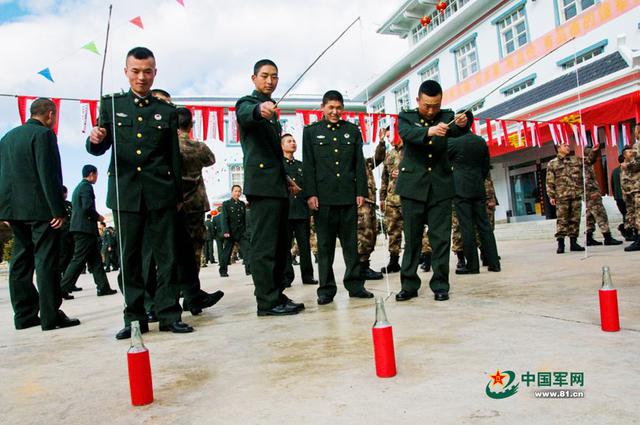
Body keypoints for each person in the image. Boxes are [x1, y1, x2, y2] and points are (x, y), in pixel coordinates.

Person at [87, 46, 192, 339]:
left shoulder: (167, 111)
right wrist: (95, 138)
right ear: (126, 72)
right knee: (129, 258)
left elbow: (173, 157)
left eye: (147, 71)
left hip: (161, 192)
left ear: (155, 72)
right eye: (135, 71)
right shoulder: (111, 104)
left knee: (167, 256)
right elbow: (99, 146)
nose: (141, 77)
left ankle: (169, 314)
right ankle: (134, 318)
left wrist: (178, 196)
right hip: (126, 192)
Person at [0, 98, 80, 330]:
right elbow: (49, 173)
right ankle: (50, 315)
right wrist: (58, 210)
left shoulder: (7, 138)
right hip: (40, 209)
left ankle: (24, 315)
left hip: (13, 209)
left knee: (20, 261)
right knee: (46, 260)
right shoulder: (44, 135)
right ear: (50, 114)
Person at [236, 59, 304, 316]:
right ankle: (266, 301)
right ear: (254, 78)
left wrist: (285, 178)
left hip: (276, 185)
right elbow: (246, 114)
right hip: (262, 188)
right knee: (264, 246)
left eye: (274, 76)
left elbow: (272, 153)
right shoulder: (248, 103)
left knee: (278, 245)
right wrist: (259, 109)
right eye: (264, 75)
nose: (270, 81)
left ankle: (276, 293)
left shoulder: (273, 113)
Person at [394, 80, 469, 302]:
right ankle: (409, 285)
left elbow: (457, 129)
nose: (431, 110)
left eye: (436, 105)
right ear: (418, 100)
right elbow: (407, 134)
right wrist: (430, 130)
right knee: (412, 239)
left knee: (441, 239)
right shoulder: (406, 117)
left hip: (440, 186)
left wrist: (463, 123)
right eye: (427, 105)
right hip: (412, 187)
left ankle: (440, 285)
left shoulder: (447, 116)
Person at [303, 90, 373, 305]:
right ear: (322, 108)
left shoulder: (352, 130)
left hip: (348, 196)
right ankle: (326, 289)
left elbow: (358, 163)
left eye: (338, 108)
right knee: (325, 247)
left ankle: (355, 285)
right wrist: (310, 193)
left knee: (351, 245)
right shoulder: (311, 132)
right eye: (330, 108)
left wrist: (361, 191)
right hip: (323, 199)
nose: (335, 112)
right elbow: (308, 165)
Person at [447, 118, 500, 274]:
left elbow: (443, 164)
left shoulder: (453, 143)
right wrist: (478, 179)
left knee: (467, 226)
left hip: (460, 189)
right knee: (485, 225)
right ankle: (494, 263)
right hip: (478, 187)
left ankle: (472, 265)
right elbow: (485, 166)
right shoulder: (480, 141)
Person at [60, 165, 118, 297]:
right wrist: (98, 217)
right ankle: (62, 288)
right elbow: (87, 207)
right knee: (78, 259)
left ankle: (103, 287)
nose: (97, 177)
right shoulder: (86, 187)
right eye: (96, 175)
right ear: (91, 174)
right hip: (84, 229)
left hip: (82, 229)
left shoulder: (78, 188)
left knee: (96, 261)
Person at [281, 133, 317, 286]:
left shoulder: (301, 165)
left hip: (302, 211)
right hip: (286, 211)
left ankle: (307, 276)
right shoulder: (279, 165)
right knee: (285, 246)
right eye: (289, 141)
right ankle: (286, 277)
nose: (293, 143)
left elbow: (308, 186)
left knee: (305, 245)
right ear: (282, 146)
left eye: (294, 141)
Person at [546, 142, 585, 254]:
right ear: (558, 148)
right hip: (561, 196)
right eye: (565, 146)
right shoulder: (552, 163)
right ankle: (561, 244)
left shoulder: (575, 160)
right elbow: (549, 181)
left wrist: (594, 151)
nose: (568, 147)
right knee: (562, 220)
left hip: (575, 194)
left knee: (575, 219)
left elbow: (588, 161)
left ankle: (573, 243)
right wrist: (551, 195)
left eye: (568, 145)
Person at [357, 132, 386, 280]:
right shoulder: (348, 161)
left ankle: (364, 265)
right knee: (363, 235)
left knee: (371, 234)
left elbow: (378, 158)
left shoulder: (365, 162)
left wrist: (381, 142)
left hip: (370, 202)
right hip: (360, 203)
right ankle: (361, 268)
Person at [583, 146, 621, 246]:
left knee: (589, 216)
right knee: (601, 214)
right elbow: (586, 180)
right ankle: (607, 237)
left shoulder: (584, 165)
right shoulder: (585, 164)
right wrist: (592, 192)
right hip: (592, 194)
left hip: (588, 195)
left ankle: (589, 238)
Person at [379, 128, 404, 274]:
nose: (389, 139)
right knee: (393, 231)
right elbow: (384, 178)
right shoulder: (389, 154)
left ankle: (425, 257)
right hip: (392, 199)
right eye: (387, 137)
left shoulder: (411, 151)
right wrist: (382, 198)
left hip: (409, 197)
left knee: (416, 230)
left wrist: (404, 173)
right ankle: (394, 262)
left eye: (391, 136)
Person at [219, 185, 251, 277]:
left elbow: (244, 219)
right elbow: (224, 218)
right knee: (226, 252)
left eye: (239, 191)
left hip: (241, 233)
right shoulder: (226, 204)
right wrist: (225, 231)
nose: (238, 193)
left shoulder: (242, 204)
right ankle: (223, 271)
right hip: (230, 232)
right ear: (232, 192)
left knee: (247, 250)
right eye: (236, 191)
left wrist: (246, 232)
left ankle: (249, 270)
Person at [622, 144, 640, 251]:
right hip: (630, 194)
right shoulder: (625, 166)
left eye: (632, 151)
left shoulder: (635, 162)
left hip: (637, 192)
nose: (631, 152)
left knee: (639, 215)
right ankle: (636, 237)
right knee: (633, 216)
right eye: (629, 152)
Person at [58, 186, 74, 278]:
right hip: (61, 234)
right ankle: (59, 280)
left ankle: (67, 280)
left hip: (70, 234)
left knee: (69, 257)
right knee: (62, 258)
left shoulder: (69, 204)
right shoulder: (57, 205)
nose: (65, 195)